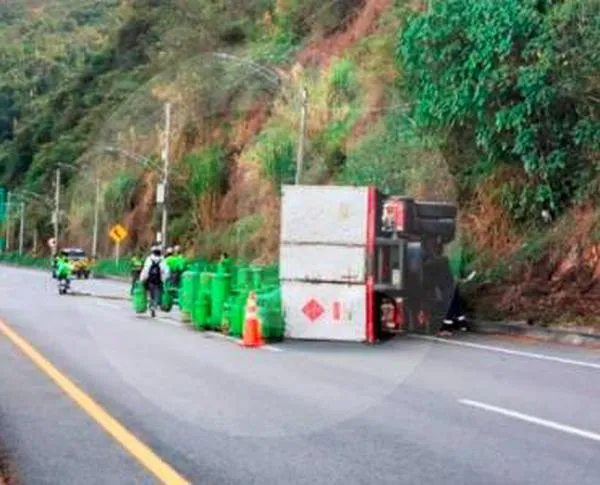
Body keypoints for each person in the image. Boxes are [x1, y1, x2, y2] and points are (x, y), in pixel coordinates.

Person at [139, 245, 170, 316]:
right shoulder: (163, 260)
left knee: (151, 294)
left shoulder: (149, 259)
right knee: (157, 294)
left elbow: (145, 270)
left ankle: (151, 305)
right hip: (158, 281)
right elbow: (166, 271)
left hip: (150, 280)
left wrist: (142, 279)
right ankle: (154, 306)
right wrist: (164, 279)